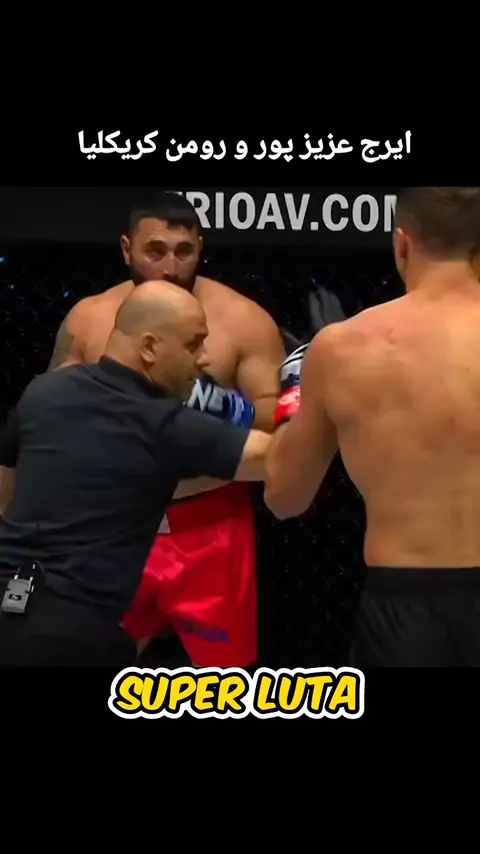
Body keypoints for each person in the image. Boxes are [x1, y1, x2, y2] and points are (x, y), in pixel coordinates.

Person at [46, 190, 286, 668]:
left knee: (227, 680)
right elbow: (52, 414)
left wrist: (214, 402)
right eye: (155, 251)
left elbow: (277, 419)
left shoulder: (242, 320)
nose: (171, 267)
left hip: (209, 522)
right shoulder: (89, 318)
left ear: (201, 248)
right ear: (126, 249)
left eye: (184, 251)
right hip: (110, 523)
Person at [0, 282, 271, 667]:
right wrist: (301, 395)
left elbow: (5, 493)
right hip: (72, 631)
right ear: (148, 347)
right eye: (194, 345)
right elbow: (277, 461)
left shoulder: (42, 393)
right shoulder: (164, 423)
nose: (204, 359)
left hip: (13, 595)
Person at [264, 187, 480, 667]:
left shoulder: (343, 349)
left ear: (402, 244)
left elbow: (284, 496)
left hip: (404, 611)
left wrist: (294, 390)